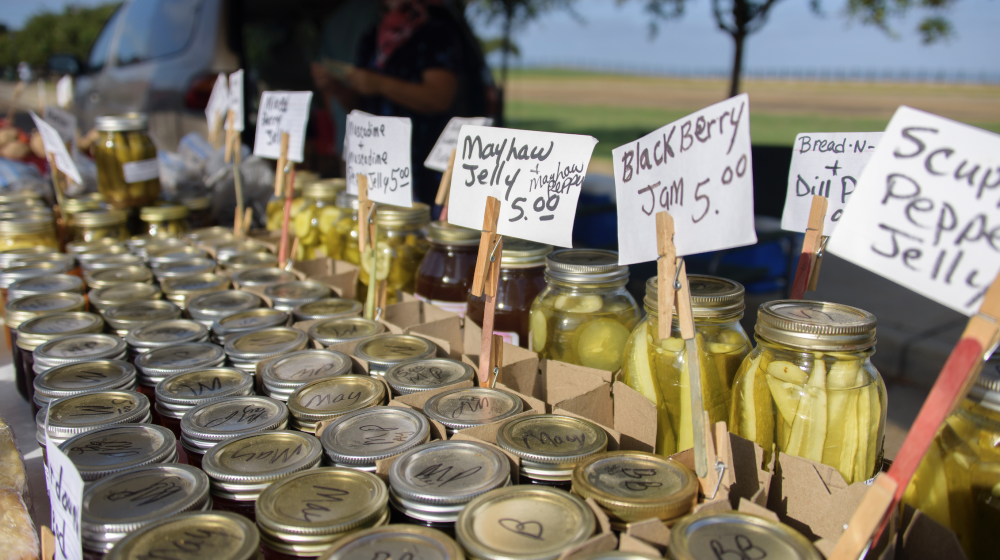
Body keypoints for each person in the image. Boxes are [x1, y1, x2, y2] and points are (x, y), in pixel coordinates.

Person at [311, 0, 462, 205]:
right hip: (377, 162)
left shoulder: (436, 33)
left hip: (422, 164)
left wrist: (379, 84)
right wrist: (337, 88)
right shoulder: (371, 37)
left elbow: (440, 97)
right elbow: (360, 108)